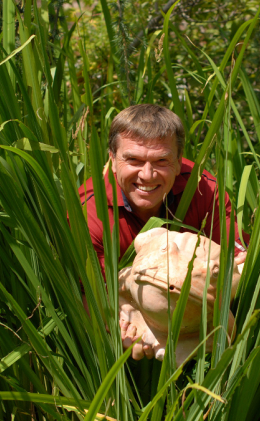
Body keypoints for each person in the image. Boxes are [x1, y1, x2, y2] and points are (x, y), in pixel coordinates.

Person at [78, 104, 247, 359]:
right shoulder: (89, 212)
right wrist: (114, 325)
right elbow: (91, 294)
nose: (147, 175)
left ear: (179, 162)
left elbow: (238, 262)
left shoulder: (204, 190)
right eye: (133, 159)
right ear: (112, 159)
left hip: (207, 319)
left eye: (161, 161)